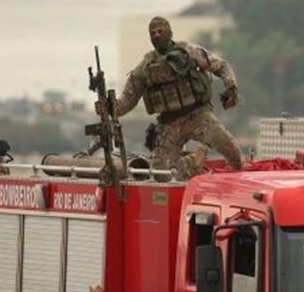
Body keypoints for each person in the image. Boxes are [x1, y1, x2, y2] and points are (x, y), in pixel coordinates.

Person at [96, 16, 243, 179]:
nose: (157, 36)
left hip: (198, 116)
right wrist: (108, 108)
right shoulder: (145, 67)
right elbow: (127, 101)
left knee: (231, 151)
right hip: (169, 125)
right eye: (153, 33)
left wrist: (231, 87)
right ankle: (192, 162)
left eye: (161, 31)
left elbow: (221, 66)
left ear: (169, 32)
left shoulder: (188, 51)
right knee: (160, 175)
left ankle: (240, 177)